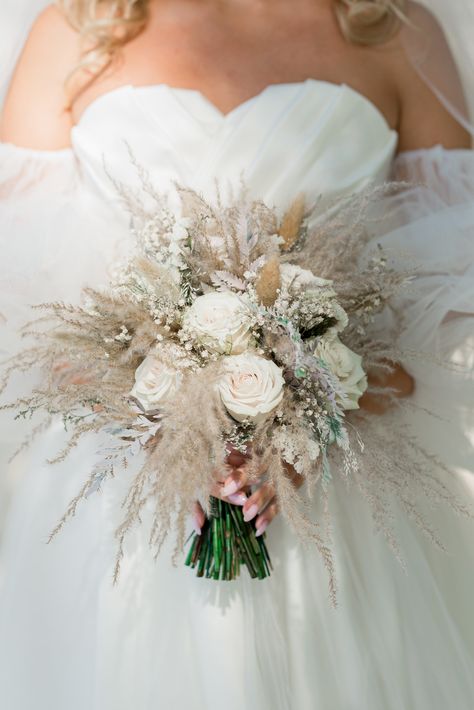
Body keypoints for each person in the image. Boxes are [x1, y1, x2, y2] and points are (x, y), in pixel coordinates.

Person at [0, 1, 473, 708]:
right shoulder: (76, 26)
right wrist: (163, 427)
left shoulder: (393, 29)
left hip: (330, 503)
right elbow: (18, 285)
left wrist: (306, 425)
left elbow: (449, 300)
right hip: (116, 493)